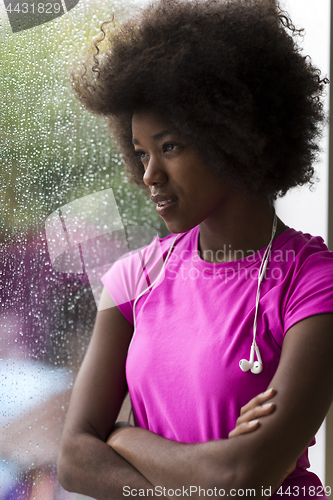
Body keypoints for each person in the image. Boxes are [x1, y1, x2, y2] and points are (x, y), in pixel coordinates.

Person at [57, 0, 333, 498]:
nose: (149, 176)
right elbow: (75, 459)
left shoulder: (312, 282)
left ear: (235, 136)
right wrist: (196, 482)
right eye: (140, 152)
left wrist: (122, 437)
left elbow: (241, 477)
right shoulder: (134, 279)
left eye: (170, 147)